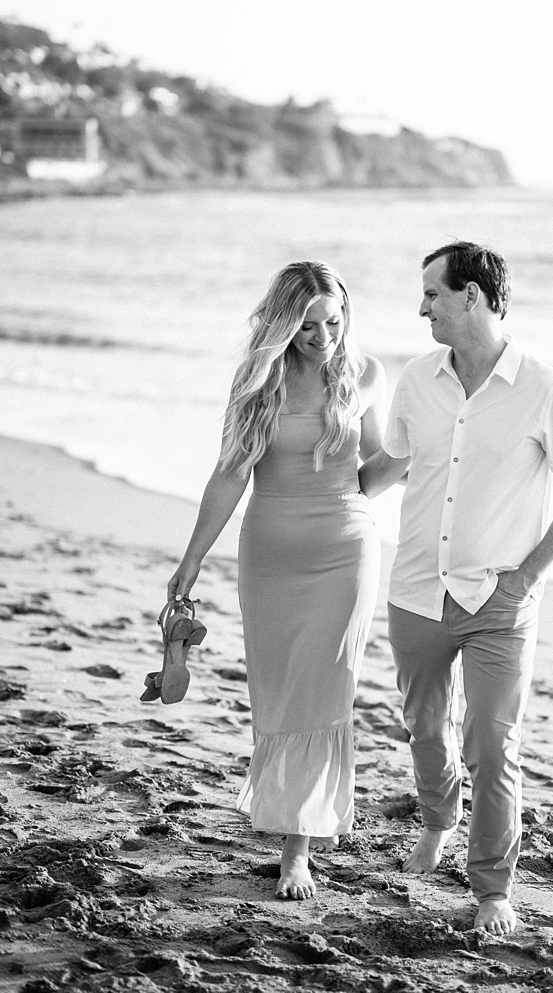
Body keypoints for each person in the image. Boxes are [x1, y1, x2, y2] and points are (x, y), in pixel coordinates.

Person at [359, 242, 553, 935]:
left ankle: (492, 886)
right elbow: (386, 471)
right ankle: (438, 819)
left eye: (432, 293)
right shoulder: (415, 378)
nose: (422, 305)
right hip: (415, 591)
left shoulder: (548, 390)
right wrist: (312, 470)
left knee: (494, 745)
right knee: (424, 729)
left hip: (499, 605)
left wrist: (526, 576)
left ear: (473, 298)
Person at [166, 261, 387, 901]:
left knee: (327, 689)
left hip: (346, 553)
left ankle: (299, 847)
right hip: (269, 556)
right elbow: (231, 474)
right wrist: (191, 559)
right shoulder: (259, 380)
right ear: (287, 325)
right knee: (278, 692)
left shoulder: (366, 374)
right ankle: (289, 810)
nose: (325, 337)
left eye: (335, 322)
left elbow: (374, 466)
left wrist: (421, 454)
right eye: (311, 325)